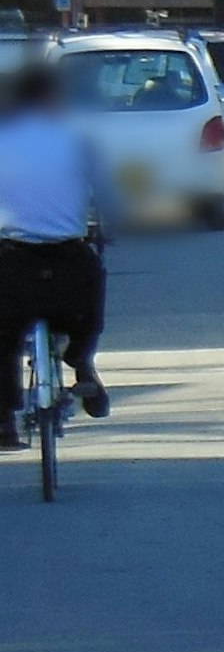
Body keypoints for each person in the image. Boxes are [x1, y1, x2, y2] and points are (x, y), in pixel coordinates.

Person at [0, 58, 108, 435]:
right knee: (91, 292)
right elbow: (108, 197)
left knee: (3, 337)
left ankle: (4, 417)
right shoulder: (79, 141)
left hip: (12, 264)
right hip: (69, 263)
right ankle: (81, 361)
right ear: (49, 98)